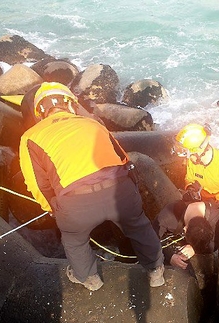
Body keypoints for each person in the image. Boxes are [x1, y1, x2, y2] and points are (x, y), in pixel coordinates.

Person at [19, 82, 165, 291]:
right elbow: (124, 159)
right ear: (70, 105)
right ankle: (155, 271)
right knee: (139, 227)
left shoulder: (30, 137)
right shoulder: (93, 124)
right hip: (119, 192)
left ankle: (90, 279)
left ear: (40, 111)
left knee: (74, 240)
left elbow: (36, 183)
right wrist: (131, 191)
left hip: (76, 203)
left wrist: (53, 209)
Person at [153, 200, 219, 270]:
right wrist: (169, 256)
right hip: (166, 239)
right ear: (185, 229)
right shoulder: (166, 217)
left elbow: (215, 244)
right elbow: (151, 240)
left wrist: (194, 249)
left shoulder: (215, 214)